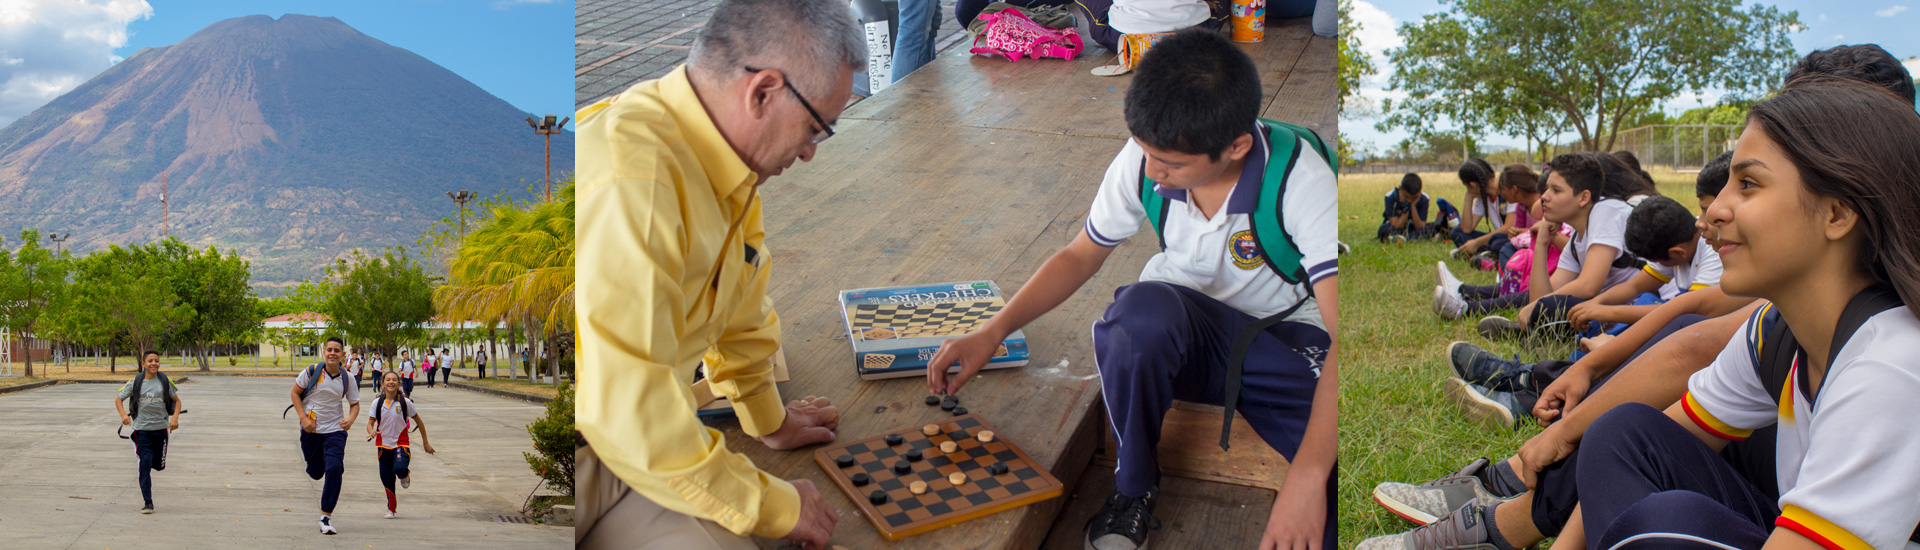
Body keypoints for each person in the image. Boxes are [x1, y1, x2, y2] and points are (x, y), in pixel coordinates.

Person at [926, 29, 1339, 550]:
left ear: (1235, 147)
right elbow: (1080, 255)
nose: (1151, 171)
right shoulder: (1149, 154)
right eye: (1145, 151)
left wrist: (1307, 475)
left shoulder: (1301, 178)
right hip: (1181, 334)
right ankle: (1134, 486)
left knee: (1335, 473)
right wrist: (994, 330)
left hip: (1276, 340)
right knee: (1136, 319)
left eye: (1170, 164)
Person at [1570, 76, 1920, 550]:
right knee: (1622, 431)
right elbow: (1654, 440)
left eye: (1748, 184)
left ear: (1837, 214)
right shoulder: (1776, 329)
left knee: (1667, 521)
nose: (1712, 212)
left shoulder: (1891, 367)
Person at [574, 0, 862, 547]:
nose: (809, 153)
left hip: (635, 452)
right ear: (763, 91)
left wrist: (766, 418)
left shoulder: (717, 156)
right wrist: (772, 504)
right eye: (816, 128)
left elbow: (739, 299)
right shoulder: (635, 185)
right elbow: (629, 416)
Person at [1435, 152, 1645, 340]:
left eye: (1555, 190)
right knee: (1552, 306)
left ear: (1584, 197)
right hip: (1612, 311)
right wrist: (1542, 242)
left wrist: (1536, 305)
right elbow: (1541, 296)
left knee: (1559, 306)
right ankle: (1531, 333)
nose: (1544, 196)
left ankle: (1524, 333)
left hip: (1648, 306)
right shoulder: (1576, 241)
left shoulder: (1605, 211)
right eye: (1546, 189)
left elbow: (1589, 285)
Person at [290, 336, 360, 535]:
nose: (332, 353)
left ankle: (325, 517)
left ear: (342, 355)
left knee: (335, 467)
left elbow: (355, 404)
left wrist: (351, 420)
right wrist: (303, 418)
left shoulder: (347, 378)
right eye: (329, 349)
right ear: (324, 352)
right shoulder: (311, 372)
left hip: (335, 431)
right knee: (315, 472)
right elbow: (295, 393)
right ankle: (319, 466)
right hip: (311, 431)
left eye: (336, 350)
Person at [116, 350, 182, 514]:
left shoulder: (165, 381)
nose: (154, 363)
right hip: (141, 431)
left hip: (160, 430)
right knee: (145, 462)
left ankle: (149, 463)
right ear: (143, 364)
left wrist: (174, 418)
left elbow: (177, 401)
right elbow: (118, 399)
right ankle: (148, 502)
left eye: (157, 361)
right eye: (150, 360)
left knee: (158, 465)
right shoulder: (135, 383)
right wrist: (124, 415)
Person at [367, 371, 434, 519]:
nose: (391, 382)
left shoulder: (405, 402)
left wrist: (426, 443)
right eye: (388, 380)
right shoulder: (377, 403)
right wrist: (371, 431)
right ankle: (391, 509)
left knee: (399, 467)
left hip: (401, 444)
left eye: (394, 380)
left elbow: (419, 422)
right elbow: (370, 423)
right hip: (383, 447)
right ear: (382, 384)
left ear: (398, 384)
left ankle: (405, 475)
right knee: (387, 479)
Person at [1377, 173, 1434, 243]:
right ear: (1400, 189)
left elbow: (1420, 227)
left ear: (1420, 192)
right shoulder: (1390, 197)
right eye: (1406, 197)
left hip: (1413, 227)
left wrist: (1413, 206)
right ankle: (1412, 238)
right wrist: (1406, 209)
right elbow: (1396, 225)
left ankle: (1403, 238)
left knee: (1432, 227)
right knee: (1383, 229)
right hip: (1398, 228)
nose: (1410, 200)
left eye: (1414, 198)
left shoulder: (1424, 199)